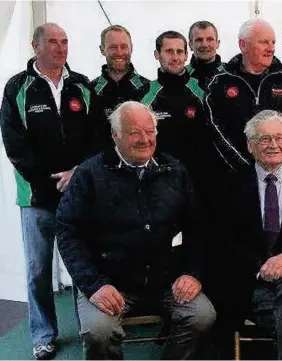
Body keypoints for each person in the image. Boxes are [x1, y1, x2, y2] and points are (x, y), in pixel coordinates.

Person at [56, 101, 217, 360]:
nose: (144, 139)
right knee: (99, 331)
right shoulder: (89, 174)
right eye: (134, 133)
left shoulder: (174, 170)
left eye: (150, 131)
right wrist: (94, 285)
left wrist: (192, 273)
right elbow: (67, 232)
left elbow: (196, 228)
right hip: (109, 283)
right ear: (115, 135)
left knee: (202, 316)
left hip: (166, 282)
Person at [0, 23, 101, 360]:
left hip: (78, 194)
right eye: (53, 42)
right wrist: (49, 181)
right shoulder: (18, 87)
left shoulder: (82, 86)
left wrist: (78, 173)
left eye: (65, 41)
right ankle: (43, 335)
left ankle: (90, 330)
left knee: (82, 266)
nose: (60, 48)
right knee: (39, 270)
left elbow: (97, 136)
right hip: (37, 198)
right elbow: (14, 144)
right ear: (35, 46)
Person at [208, 110, 282, 360]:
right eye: (265, 139)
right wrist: (262, 267)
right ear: (250, 145)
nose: (274, 145)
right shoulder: (227, 186)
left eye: (279, 138)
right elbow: (221, 241)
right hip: (248, 286)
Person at [205, 19, 282, 173]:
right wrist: (247, 169)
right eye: (263, 42)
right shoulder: (220, 83)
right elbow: (214, 131)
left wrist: (280, 166)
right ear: (243, 45)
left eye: (273, 42)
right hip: (233, 178)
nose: (271, 48)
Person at [140, 30, 212, 187]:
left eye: (180, 51)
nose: (175, 57)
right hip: (159, 181)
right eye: (168, 51)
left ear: (186, 55)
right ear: (157, 54)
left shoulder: (202, 90)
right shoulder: (145, 94)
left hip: (199, 180)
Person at [91, 25, 149, 148]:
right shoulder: (90, 90)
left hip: (138, 162)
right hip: (100, 163)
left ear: (131, 48)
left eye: (124, 47)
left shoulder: (148, 88)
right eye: (112, 47)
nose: (119, 52)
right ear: (102, 50)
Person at [186, 20, 224, 89]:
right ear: (190, 45)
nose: (204, 45)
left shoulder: (232, 74)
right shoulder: (178, 77)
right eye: (199, 40)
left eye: (210, 39)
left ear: (217, 43)